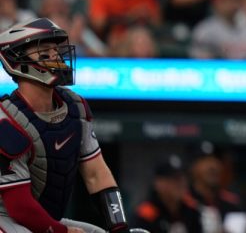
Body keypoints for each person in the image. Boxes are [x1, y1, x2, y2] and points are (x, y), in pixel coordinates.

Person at [0, 18, 143, 233]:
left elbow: (97, 175)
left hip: (48, 221)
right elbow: (19, 207)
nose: (56, 57)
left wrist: (119, 227)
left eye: (57, 51)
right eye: (45, 51)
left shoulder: (75, 107)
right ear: (17, 61)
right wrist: (62, 232)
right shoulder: (6, 120)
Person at [133, 155, 203, 233]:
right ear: (158, 183)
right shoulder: (147, 213)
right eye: (175, 179)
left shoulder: (191, 209)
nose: (181, 183)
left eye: (183, 178)